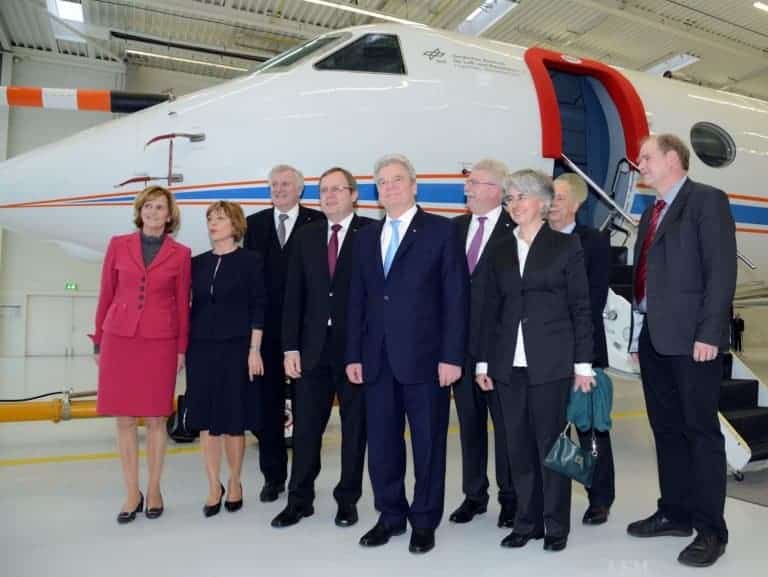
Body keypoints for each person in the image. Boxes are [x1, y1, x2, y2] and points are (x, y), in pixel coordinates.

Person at [346, 154, 469, 554]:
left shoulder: (441, 231)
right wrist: (353, 355)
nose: (390, 187)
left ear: (414, 185)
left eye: (397, 180)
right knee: (382, 444)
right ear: (375, 192)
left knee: (428, 443)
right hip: (377, 360)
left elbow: (455, 298)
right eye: (382, 182)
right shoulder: (365, 237)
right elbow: (357, 301)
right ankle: (390, 515)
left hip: (427, 360)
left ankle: (424, 520)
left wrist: (452, 357)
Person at [627, 134, 736, 568]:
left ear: (673, 159)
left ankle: (711, 530)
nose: (640, 165)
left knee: (700, 433)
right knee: (666, 430)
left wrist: (710, 333)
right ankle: (675, 512)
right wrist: (639, 337)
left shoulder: (705, 201)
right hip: (655, 340)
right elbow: (644, 284)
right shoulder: (651, 212)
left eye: (647, 157)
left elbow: (720, 270)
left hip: (694, 342)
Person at [475, 169, 594, 553]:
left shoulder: (564, 246)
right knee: (518, 447)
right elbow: (488, 309)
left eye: (521, 196)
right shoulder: (498, 249)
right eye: (510, 198)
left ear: (542, 203)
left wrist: (583, 365)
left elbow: (580, 307)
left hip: (552, 364)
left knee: (551, 447)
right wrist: (482, 363)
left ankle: (556, 525)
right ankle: (527, 522)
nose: (514, 204)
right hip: (508, 365)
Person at [273, 167, 374, 529]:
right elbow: (293, 298)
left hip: (354, 352)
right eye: (323, 190)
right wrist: (289, 348)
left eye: (336, 190)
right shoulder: (306, 237)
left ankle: (347, 500)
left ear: (354, 195)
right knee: (305, 431)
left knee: (354, 430)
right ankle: (299, 500)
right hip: (311, 349)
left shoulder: (372, 234)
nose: (329, 196)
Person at [91, 185, 191, 524]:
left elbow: (182, 305)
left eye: (159, 207)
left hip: (160, 342)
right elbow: (106, 292)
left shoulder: (181, 253)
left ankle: (154, 489)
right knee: (124, 419)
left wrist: (181, 349)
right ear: (140, 211)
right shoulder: (118, 245)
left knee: (156, 418)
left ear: (169, 215)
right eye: (147, 206)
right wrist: (98, 339)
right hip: (119, 338)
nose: (152, 212)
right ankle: (131, 491)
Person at [244, 165, 325, 502]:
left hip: (307, 336)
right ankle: (273, 477)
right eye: (274, 184)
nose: (278, 189)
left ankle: (302, 482)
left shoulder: (317, 223)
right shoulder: (254, 225)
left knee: (308, 412)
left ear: (300, 190)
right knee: (267, 408)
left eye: (285, 184)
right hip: (265, 335)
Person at [185, 201, 265, 517]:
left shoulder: (251, 261)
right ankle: (212, 485)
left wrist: (254, 350)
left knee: (233, 422)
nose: (213, 224)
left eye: (220, 218)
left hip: (237, 348)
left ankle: (234, 482)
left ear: (235, 225)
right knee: (207, 422)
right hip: (202, 349)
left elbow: (259, 306)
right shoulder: (197, 263)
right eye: (210, 219)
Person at [449, 159, 517, 529]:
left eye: (474, 183)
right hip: (461, 351)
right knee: (469, 426)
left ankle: (511, 499)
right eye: (468, 183)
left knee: (505, 430)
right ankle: (474, 496)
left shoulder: (516, 231)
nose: (467, 189)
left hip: (500, 352)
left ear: (496, 189)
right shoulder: (454, 229)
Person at [550, 173, 616, 525]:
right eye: (550, 196)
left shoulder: (593, 242)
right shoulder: (536, 239)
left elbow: (592, 299)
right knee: (550, 427)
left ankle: (599, 498)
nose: (552, 203)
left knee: (590, 429)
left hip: (582, 351)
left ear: (576, 204)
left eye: (559, 197)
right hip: (542, 354)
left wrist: (581, 358)